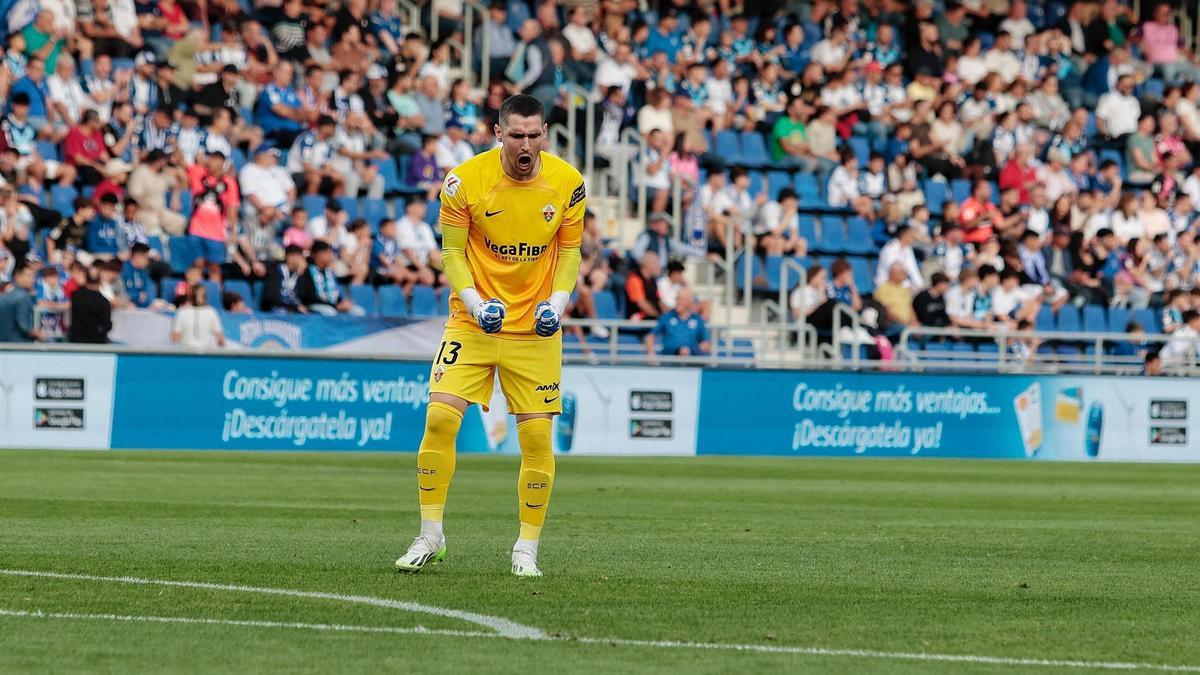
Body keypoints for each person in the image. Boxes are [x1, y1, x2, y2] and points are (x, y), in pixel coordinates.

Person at [395, 95, 586, 578]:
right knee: (439, 418)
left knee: (538, 436)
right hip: (473, 320)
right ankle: (430, 534)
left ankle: (526, 548)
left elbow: (570, 252)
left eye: (535, 135)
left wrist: (557, 305)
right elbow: (452, 253)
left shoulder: (568, 183)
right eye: (517, 135)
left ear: (545, 134)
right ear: (498, 133)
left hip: (536, 330)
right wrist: (478, 303)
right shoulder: (463, 182)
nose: (527, 145)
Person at [296, 241, 365, 316]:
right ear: (317, 254)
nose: (330, 255)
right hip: (314, 305)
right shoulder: (306, 272)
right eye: (327, 252)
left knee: (359, 312)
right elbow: (308, 297)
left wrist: (342, 302)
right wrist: (335, 305)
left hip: (332, 305)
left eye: (330, 252)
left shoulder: (329, 272)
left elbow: (333, 293)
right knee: (330, 312)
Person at [645, 288, 710, 357]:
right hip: (669, 360)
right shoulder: (667, 317)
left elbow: (706, 343)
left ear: (689, 302)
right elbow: (651, 336)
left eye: (681, 299)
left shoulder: (697, 319)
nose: (678, 301)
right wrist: (651, 354)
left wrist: (690, 351)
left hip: (690, 362)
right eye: (677, 299)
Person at [171, 283, 225, 349]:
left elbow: (175, 338)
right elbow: (221, 340)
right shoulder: (212, 312)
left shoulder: (182, 312)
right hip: (206, 354)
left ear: (190, 296)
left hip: (186, 354)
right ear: (205, 296)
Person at [67, 269, 112, 344]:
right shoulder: (103, 301)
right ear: (99, 281)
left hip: (75, 341)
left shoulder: (75, 296)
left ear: (86, 279)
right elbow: (107, 326)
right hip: (96, 343)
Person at [0, 263, 39, 342]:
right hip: (18, 344)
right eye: (29, 276)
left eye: (33, 276)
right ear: (18, 276)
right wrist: (37, 334)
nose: (33, 280)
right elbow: (23, 324)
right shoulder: (23, 296)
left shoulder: (6, 294)